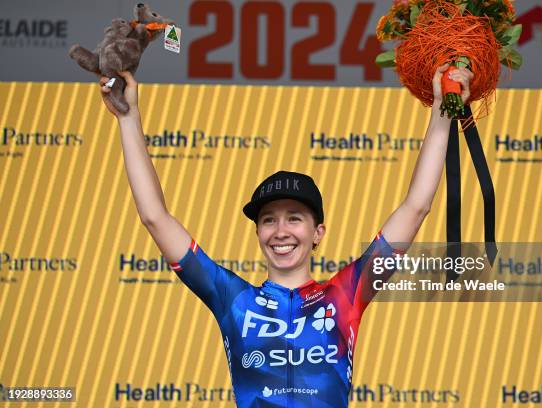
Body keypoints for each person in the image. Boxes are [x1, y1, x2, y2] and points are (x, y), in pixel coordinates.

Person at [99, 65, 473, 408]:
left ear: (317, 233)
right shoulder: (233, 299)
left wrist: (442, 108)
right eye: (268, 220)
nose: (280, 231)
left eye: (294, 218)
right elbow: (154, 217)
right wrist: (128, 118)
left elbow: (416, 207)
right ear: (258, 232)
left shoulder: (345, 294)